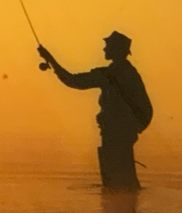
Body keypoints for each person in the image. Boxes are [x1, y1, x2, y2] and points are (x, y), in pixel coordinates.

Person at [37, 31, 152, 191]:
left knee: (116, 184)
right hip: (122, 133)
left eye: (107, 46)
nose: (104, 49)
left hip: (114, 133)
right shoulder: (130, 72)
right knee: (124, 183)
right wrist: (132, 129)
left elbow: (73, 80)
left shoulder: (110, 74)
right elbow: (146, 108)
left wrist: (50, 59)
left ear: (116, 49)